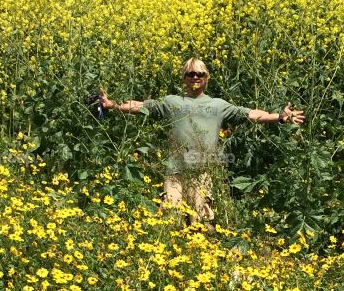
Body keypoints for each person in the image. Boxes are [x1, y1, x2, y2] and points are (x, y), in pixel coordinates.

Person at [98, 58, 304, 222]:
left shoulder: (218, 105)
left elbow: (251, 114)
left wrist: (279, 117)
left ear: (207, 78)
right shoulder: (171, 102)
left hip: (202, 171)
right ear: (184, 78)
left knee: (201, 221)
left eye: (200, 74)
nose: (195, 77)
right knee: (170, 218)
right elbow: (141, 106)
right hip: (175, 171)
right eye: (190, 74)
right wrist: (113, 104)